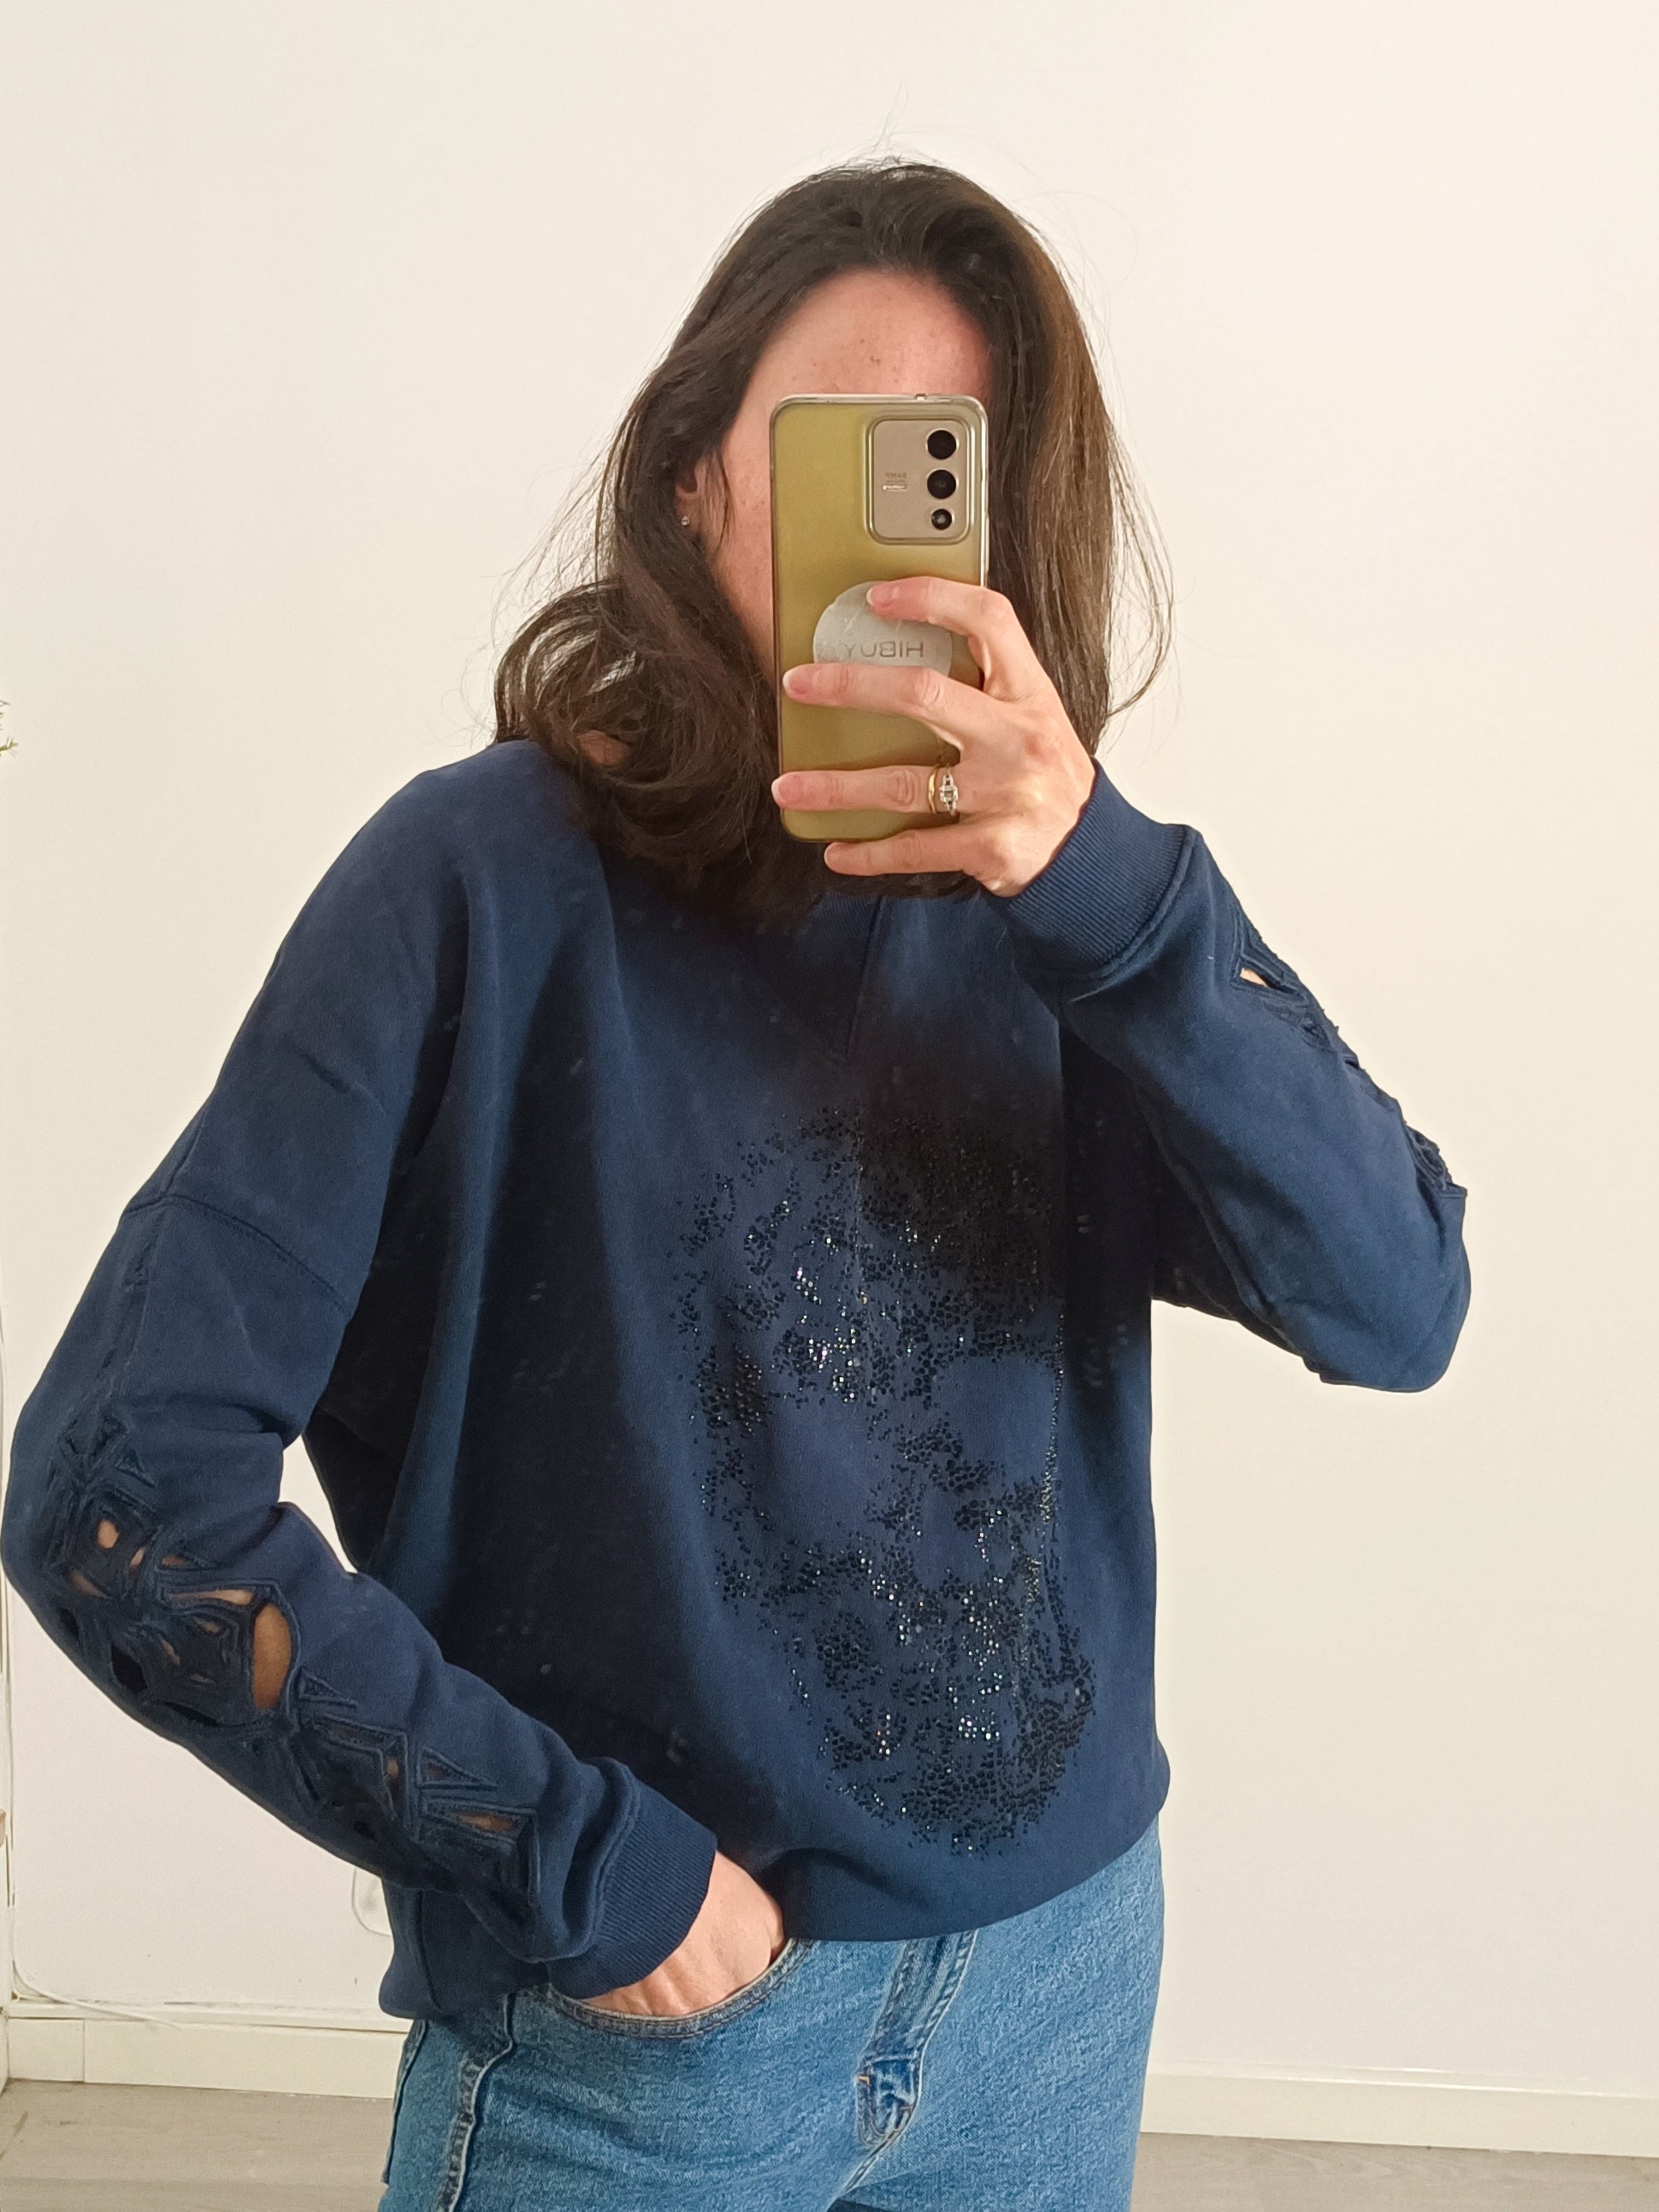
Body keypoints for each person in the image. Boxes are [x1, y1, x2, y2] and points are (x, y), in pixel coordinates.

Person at [0, 158, 1471, 2211]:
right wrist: (569, 1859)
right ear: (694, 478)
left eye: (948, 470)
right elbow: (117, 1490)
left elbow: (1397, 1303)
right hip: (648, 2054)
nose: (898, 524)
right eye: (839, 446)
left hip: (1055, 1995)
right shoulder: (470, 887)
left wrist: (1106, 889)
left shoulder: (1074, 922)